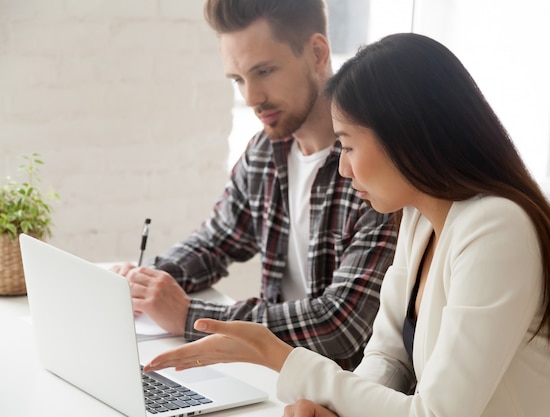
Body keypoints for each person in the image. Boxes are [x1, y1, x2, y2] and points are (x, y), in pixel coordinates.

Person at [143, 33, 550, 417]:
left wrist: (281, 357)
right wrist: (333, 407)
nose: (343, 169)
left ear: (405, 135)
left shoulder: (496, 227)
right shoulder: (419, 220)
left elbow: (438, 413)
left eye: (346, 145)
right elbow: (388, 358)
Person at [111, 0, 398, 371]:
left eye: (264, 71)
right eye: (238, 79)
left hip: (341, 396)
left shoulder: (375, 167)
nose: (250, 98)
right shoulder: (267, 150)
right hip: (272, 378)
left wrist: (189, 315)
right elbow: (216, 241)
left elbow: (339, 325)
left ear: (317, 53)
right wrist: (143, 281)